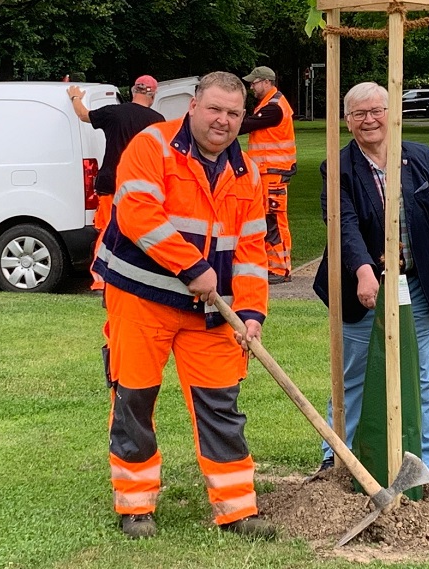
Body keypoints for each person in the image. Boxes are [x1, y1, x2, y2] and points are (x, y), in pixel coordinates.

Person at [93, 71, 276, 541]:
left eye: (234, 113)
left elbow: (252, 251)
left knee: (221, 405)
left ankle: (236, 508)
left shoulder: (247, 171)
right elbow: (137, 214)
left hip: (212, 312)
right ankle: (135, 507)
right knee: (134, 399)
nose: (223, 120)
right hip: (141, 298)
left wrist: (252, 314)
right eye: (215, 109)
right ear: (193, 106)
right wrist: (191, 266)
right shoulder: (152, 145)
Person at [311, 82, 429, 475]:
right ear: (347, 121)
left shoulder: (419, 157)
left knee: (418, 372)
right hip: (361, 288)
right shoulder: (338, 167)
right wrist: (363, 272)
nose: (369, 120)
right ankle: (334, 457)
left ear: (392, 114)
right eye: (358, 114)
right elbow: (343, 225)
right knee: (354, 373)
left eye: (376, 111)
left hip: (416, 286)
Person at [67, 75, 165, 262]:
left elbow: (83, 115)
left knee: (106, 231)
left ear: (133, 91)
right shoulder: (158, 121)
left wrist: (75, 97)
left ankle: (102, 278)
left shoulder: (114, 113)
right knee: (138, 233)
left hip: (111, 184)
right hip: (140, 187)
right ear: (152, 95)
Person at [239, 66, 297, 284]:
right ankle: (273, 266)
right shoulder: (269, 104)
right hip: (268, 172)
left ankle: (281, 269)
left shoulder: (274, 107)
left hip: (273, 173)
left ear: (266, 82)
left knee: (274, 219)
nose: (251, 86)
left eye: (254, 83)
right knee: (269, 219)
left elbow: (246, 125)